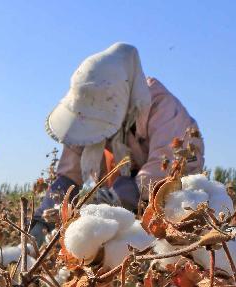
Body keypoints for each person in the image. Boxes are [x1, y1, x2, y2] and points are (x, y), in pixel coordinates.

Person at [30, 42, 204, 242]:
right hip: (121, 192)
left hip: (171, 202)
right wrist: (43, 219)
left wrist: (114, 199)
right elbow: (69, 175)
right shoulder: (87, 115)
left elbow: (165, 171)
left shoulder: (161, 107)